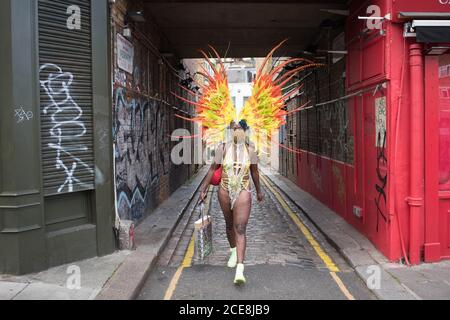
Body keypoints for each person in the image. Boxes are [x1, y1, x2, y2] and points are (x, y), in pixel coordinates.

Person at [199, 119, 264, 285]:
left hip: (243, 190)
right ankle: (233, 251)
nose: (237, 132)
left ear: (245, 131)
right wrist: (203, 189)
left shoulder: (251, 150)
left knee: (240, 228)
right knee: (229, 225)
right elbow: (213, 169)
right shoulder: (223, 148)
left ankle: (240, 269)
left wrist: (258, 191)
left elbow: (254, 173)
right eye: (234, 129)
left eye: (240, 129)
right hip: (224, 191)